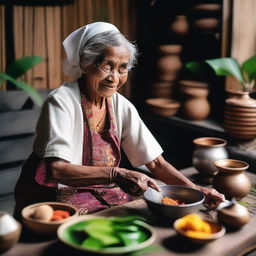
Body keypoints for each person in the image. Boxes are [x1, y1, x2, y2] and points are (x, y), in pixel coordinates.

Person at [14, 22, 224, 216]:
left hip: (95, 191)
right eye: (108, 65)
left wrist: (198, 191)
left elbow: (157, 164)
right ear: (86, 64)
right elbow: (57, 170)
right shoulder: (62, 100)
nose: (115, 77)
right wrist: (116, 174)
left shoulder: (119, 104)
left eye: (122, 67)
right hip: (49, 194)